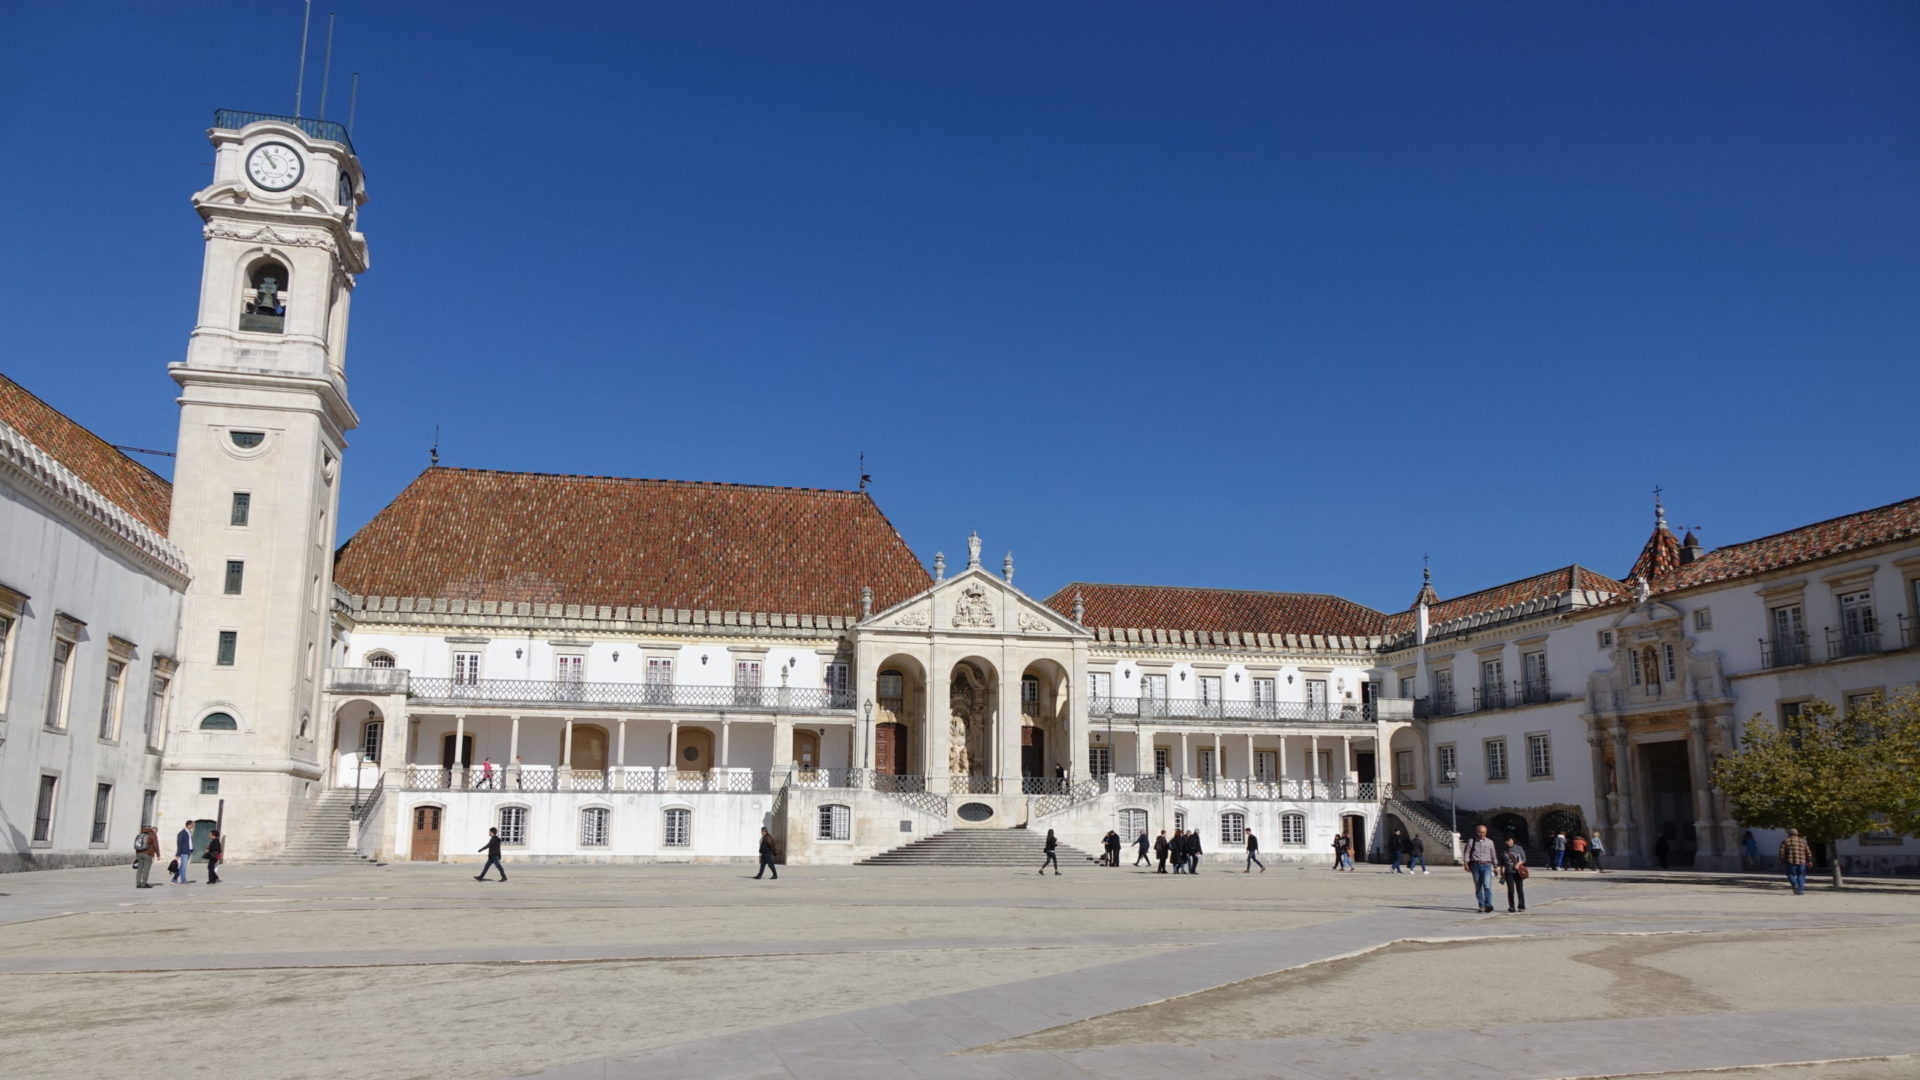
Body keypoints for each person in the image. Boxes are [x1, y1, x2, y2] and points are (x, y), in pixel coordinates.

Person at [1464, 824, 1499, 913]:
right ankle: (1482, 905)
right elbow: (1467, 852)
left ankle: (1488, 905)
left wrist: (1495, 866)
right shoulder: (1471, 841)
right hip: (1475, 865)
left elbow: (1493, 855)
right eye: (1480, 832)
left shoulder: (1490, 842)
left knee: (1487, 886)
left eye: (1483, 832)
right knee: (1478, 887)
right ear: (1477, 832)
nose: (1481, 834)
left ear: (1486, 832)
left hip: (1486, 865)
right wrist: (1465, 863)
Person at [1498, 834, 1527, 912]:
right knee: (1510, 890)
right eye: (1507, 841)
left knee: (1519, 889)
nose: (1509, 843)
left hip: (1518, 872)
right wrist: (1501, 869)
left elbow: (1524, 859)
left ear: (1513, 840)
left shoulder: (1518, 848)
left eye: (1510, 841)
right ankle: (1511, 906)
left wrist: (1518, 864)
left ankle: (1521, 906)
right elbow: (1502, 861)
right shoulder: (1503, 850)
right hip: (1508, 872)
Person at [1779, 828, 1812, 895]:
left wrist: (1781, 860)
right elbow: (1808, 851)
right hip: (1802, 861)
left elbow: (1781, 852)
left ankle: (1794, 884)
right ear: (1797, 833)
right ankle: (1800, 891)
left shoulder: (1785, 841)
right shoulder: (1803, 841)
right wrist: (1809, 860)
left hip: (1790, 861)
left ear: (1789, 834)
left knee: (1790, 874)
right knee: (1801, 875)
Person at [133, 824, 161, 889]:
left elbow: (136, 844)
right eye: (156, 831)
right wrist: (158, 855)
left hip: (139, 854)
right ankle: (144, 884)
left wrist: (137, 854)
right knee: (146, 869)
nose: (156, 832)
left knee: (139, 869)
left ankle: (138, 884)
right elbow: (156, 846)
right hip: (148, 854)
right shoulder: (152, 835)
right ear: (153, 829)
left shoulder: (140, 834)